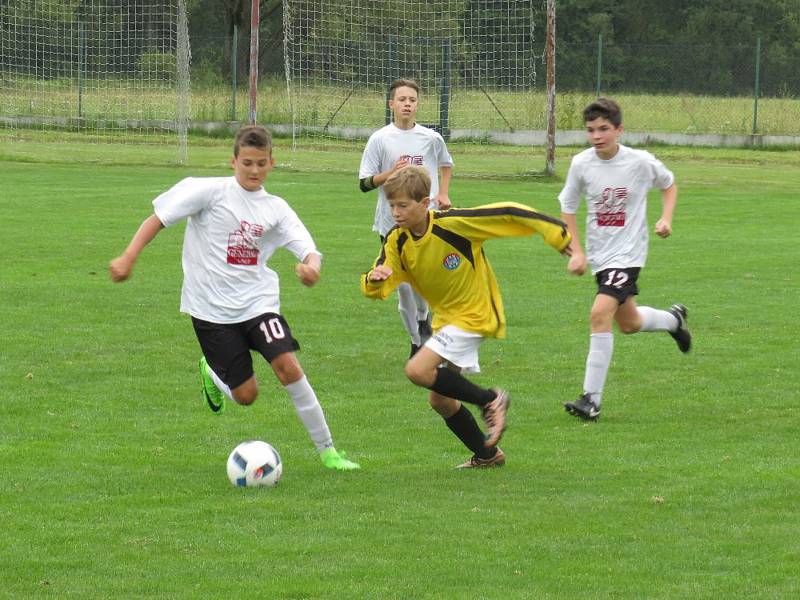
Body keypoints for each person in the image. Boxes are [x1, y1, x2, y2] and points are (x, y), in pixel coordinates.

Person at [109, 125, 360, 471]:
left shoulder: (276, 208)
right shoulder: (208, 192)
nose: (254, 170)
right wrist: (128, 256)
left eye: (261, 163)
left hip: (259, 305)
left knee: (288, 365)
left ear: (272, 163)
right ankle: (213, 374)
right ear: (233, 162)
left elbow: (307, 249)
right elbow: (158, 219)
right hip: (211, 311)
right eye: (247, 163)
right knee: (246, 396)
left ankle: (329, 451)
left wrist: (311, 267)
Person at [361, 166, 572, 468]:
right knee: (440, 400)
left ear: (425, 203)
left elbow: (508, 212)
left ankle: (490, 399)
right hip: (446, 320)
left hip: (475, 314)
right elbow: (377, 281)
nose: (396, 212)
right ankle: (487, 455)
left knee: (417, 371)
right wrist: (376, 279)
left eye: (403, 205)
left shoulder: (454, 224)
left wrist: (557, 234)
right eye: (391, 205)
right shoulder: (397, 240)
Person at [559, 98, 692, 421]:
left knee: (599, 312)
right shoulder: (581, 164)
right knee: (628, 324)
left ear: (619, 129)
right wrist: (576, 250)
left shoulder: (639, 162)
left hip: (629, 254)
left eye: (604, 129)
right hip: (602, 256)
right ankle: (673, 320)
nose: (597, 136)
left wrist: (666, 219)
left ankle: (591, 399)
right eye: (591, 130)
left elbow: (669, 184)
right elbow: (568, 207)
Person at [359, 78, 454, 358]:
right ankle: (416, 343)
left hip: (427, 225)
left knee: (422, 285)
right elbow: (364, 183)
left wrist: (444, 193)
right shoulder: (380, 139)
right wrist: (391, 173)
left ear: (417, 104)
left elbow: (446, 164)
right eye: (402, 100)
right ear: (392, 104)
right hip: (392, 226)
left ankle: (424, 320)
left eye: (412, 100)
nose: (407, 104)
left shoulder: (431, 138)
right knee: (402, 287)